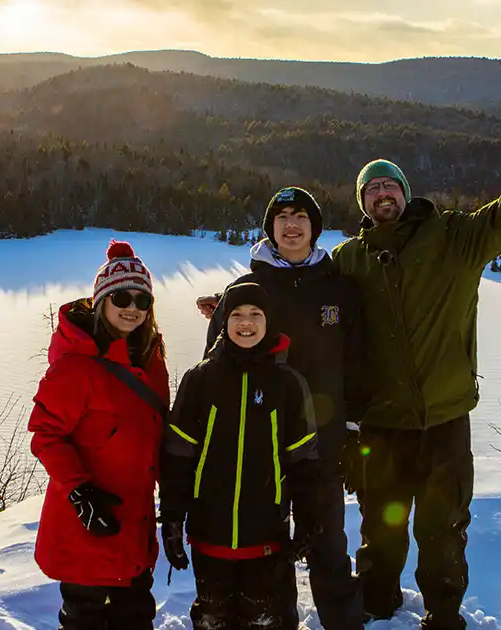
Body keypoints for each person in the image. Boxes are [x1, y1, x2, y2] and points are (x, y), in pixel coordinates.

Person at [330, 96, 501, 629]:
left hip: (444, 419)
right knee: (380, 527)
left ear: (405, 193)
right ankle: (377, 604)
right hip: (382, 422)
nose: (382, 193)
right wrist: (234, 305)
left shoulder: (455, 238)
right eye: (372, 188)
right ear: (364, 204)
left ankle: (443, 615)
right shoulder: (349, 261)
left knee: (442, 527)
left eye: (389, 184)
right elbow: (300, 300)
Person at [195, 186, 367, 628]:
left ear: (314, 227)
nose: (292, 225)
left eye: (301, 216)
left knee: (329, 547)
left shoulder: (339, 290)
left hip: (323, 446)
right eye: (282, 217)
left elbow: (358, 363)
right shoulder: (246, 290)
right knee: (272, 553)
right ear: (270, 229)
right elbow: (217, 370)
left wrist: (352, 430)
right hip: (261, 451)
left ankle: (342, 622)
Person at [160, 282, 322, 630]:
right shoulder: (200, 379)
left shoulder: (289, 384)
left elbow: (303, 460)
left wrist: (308, 517)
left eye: (255, 314)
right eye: (236, 314)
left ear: (269, 321)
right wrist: (171, 516)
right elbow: (178, 456)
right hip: (209, 531)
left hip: (266, 533)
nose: (245, 322)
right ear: (223, 322)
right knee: (211, 617)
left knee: (262, 618)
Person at [27, 240, 170, 629]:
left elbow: (158, 435)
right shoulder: (75, 366)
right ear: (100, 301)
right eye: (122, 297)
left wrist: (174, 501)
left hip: (135, 525)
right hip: (88, 526)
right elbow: (44, 435)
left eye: (142, 301)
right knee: (86, 619)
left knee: (136, 616)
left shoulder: (152, 360)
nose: (132, 309)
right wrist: (80, 492)